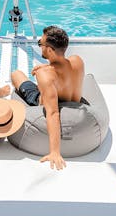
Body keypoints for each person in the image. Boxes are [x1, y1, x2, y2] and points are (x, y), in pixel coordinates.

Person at [11, 25, 85, 170]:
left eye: (40, 43)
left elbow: (52, 113)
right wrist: (46, 67)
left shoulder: (45, 76)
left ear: (50, 50)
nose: (39, 46)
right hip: (74, 101)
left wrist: (55, 152)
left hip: (41, 100)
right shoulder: (77, 61)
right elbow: (60, 68)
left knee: (16, 74)